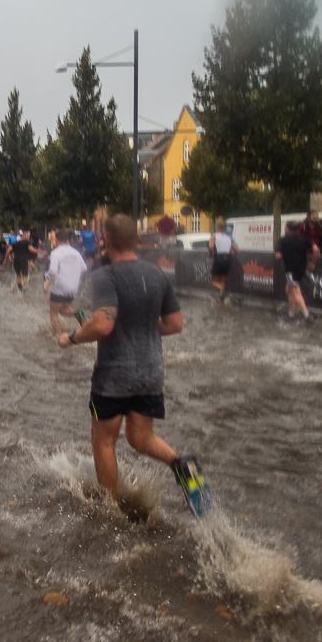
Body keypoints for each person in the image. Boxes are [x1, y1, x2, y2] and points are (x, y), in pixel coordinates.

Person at [57, 213, 210, 517]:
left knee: (103, 441)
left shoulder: (106, 276)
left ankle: (109, 509)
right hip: (151, 372)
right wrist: (136, 325)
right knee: (141, 438)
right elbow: (175, 324)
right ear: (138, 241)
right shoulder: (156, 275)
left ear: (106, 242)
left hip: (114, 375)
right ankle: (183, 464)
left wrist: (71, 338)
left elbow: (101, 326)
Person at [44, 229, 87, 336]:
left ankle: (59, 337)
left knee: (53, 314)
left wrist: (46, 276)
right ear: (67, 240)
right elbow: (84, 268)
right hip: (73, 289)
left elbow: (52, 271)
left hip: (61, 287)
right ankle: (78, 314)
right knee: (63, 310)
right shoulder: (76, 252)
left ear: (57, 240)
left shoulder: (56, 252)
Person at [275, 220, 318, 322]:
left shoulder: (282, 240)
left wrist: (284, 257)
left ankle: (307, 316)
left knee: (296, 292)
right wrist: (312, 263)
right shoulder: (304, 238)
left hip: (291, 270)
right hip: (301, 269)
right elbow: (316, 249)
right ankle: (291, 315)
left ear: (287, 229)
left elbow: (278, 256)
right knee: (289, 290)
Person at [208, 223, 239, 301]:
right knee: (223, 277)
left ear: (217, 229)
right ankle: (222, 293)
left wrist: (211, 254)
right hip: (227, 259)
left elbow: (211, 247)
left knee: (214, 279)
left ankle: (219, 292)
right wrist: (232, 253)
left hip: (219, 258)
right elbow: (238, 250)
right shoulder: (229, 238)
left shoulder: (214, 237)